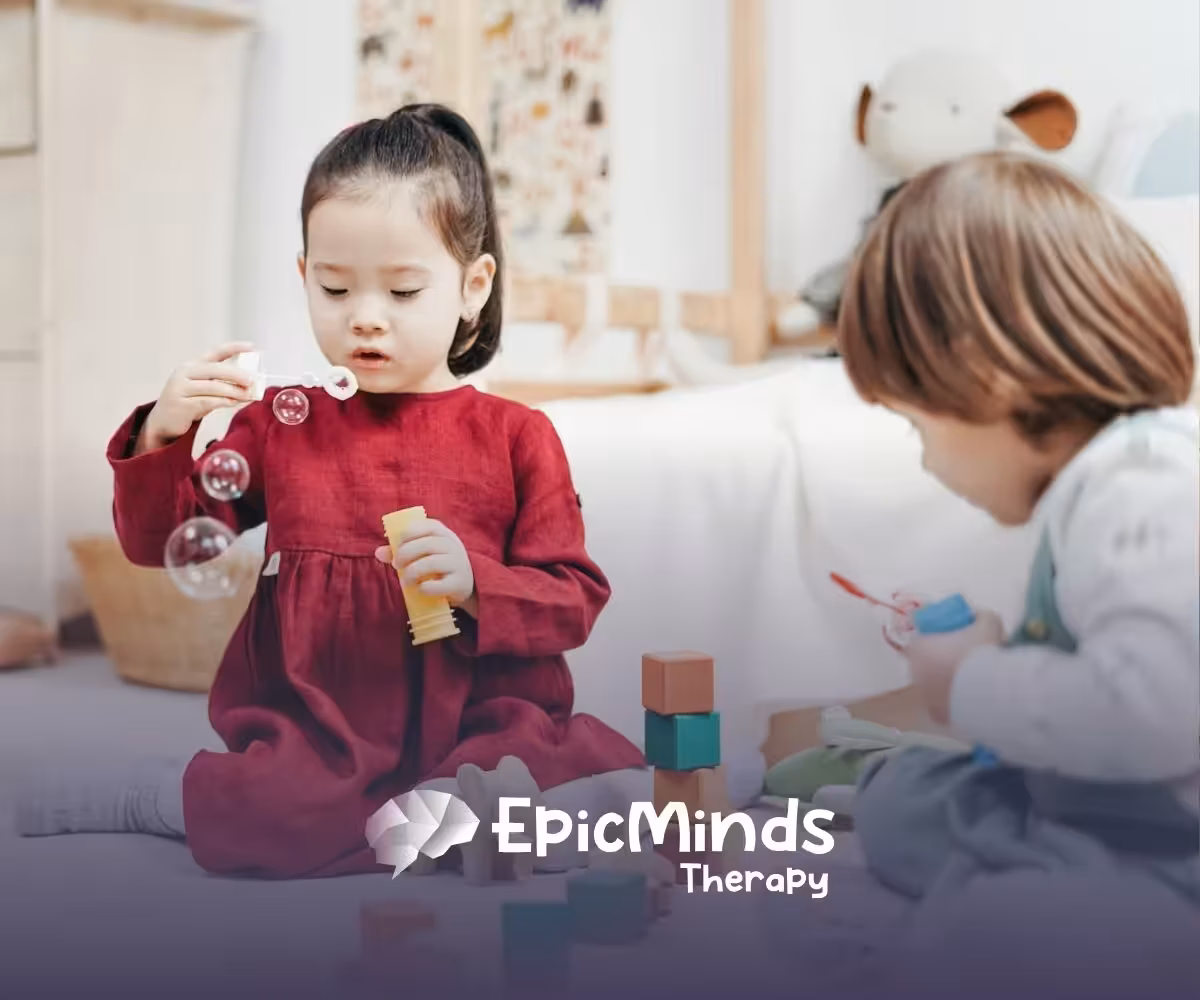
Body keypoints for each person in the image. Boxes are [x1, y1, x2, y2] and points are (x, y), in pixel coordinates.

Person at [16, 105, 673, 879]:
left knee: (549, 782)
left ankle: (473, 819)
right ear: (305, 277)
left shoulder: (517, 435)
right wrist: (164, 433)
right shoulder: (279, 427)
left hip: (484, 720)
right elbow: (160, 541)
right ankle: (162, 797)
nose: (365, 319)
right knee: (274, 816)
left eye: (402, 293)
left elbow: (572, 600)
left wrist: (473, 585)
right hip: (329, 730)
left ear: (472, 286)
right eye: (334, 288)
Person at [762, 151, 1199, 997]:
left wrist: (972, 681)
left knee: (990, 927)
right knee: (908, 799)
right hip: (1107, 810)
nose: (926, 462)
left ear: (986, 378)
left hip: (1170, 847)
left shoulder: (1142, 485)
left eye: (917, 427)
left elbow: (1157, 715)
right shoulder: (1109, 484)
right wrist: (993, 648)